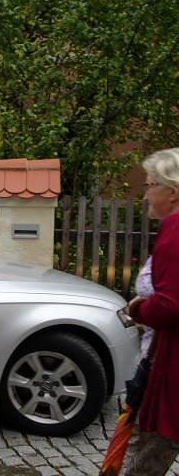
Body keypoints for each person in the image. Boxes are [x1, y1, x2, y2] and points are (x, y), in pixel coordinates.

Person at [123, 148, 179, 475]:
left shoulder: (175, 231)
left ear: (173, 191)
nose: (145, 195)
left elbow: (171, 305)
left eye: (150, 185)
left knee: (147, 459)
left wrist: (138, 308)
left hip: (171, 365)